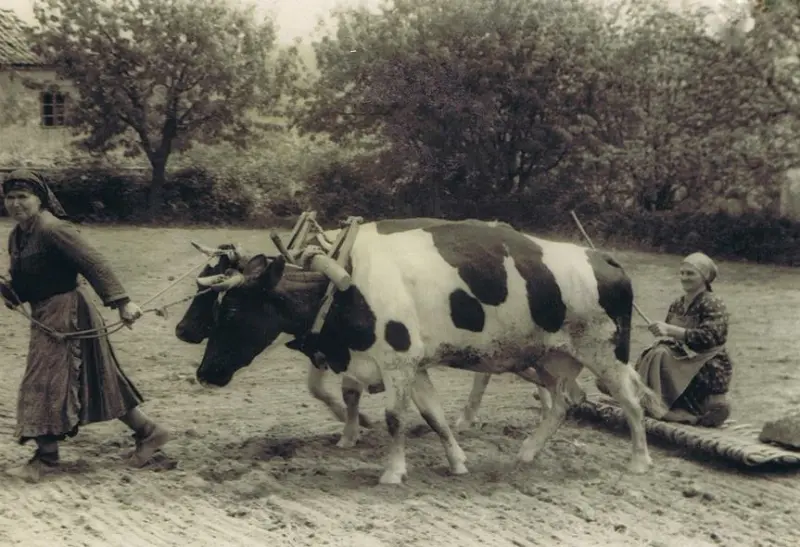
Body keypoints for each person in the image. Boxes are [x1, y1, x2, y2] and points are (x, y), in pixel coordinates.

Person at [0, 169, 170, 482]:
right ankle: (150, 432)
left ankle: (46, 459)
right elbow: (24, 285)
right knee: (100, 378)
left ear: (40, 199)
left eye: (23, 197)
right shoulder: (18, 236)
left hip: (68, 315)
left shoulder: (53, 229)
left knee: (42, 382)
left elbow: (93, 262)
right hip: (45, 316)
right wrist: (8, 290)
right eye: (10, 197)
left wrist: (122, 302)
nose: (15, 204)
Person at [599, 252, 732, 427]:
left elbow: (709, 337)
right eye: (682, 273)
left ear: (705, 277)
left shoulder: (713, 303)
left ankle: (649, 400)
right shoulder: (677, 303)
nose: (684, 278)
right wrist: (664, 334)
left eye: (690, 273)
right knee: (656, 351)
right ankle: (639, 394)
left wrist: (670, 330)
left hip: (708, 365)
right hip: (681, 359)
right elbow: (673, 340)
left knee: (660, 354)